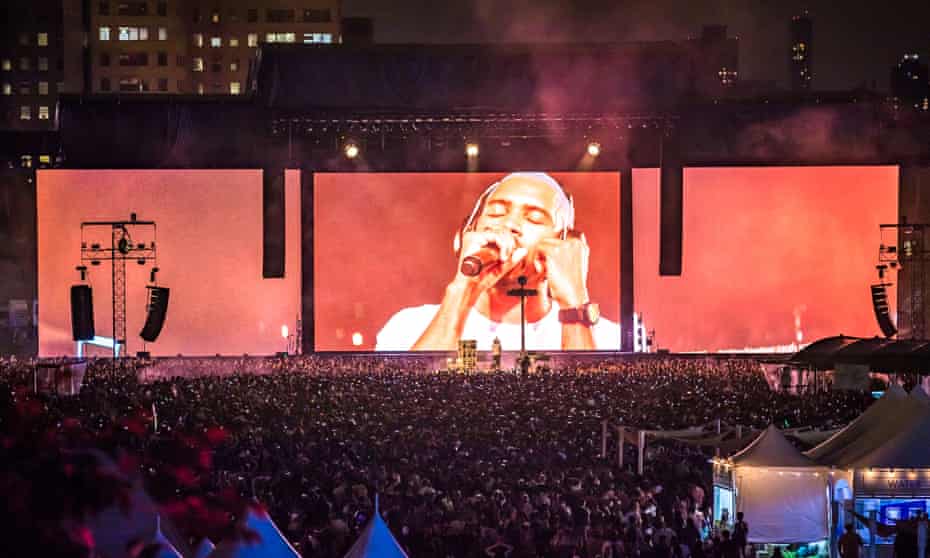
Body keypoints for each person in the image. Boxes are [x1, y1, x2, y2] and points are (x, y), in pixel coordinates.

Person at [376, 172, 621, 351]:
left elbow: (591, 416)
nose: (509, 225)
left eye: (534, 219)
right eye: (496, 213)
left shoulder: (606, 340)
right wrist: (462, 289)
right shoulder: (408, 326)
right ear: (462, 237)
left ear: (565, 245)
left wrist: (574, 302)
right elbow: (407, 408)